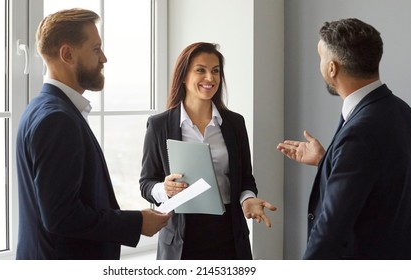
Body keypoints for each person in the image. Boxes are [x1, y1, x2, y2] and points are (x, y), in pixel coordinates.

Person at [15, 8, 170, 260]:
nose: (104, 58)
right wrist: (136, 223)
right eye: (96, 49)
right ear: (68, 54)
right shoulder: (57, 119)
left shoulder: (41, 108)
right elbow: (61, 216)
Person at [277, 18, 411, 259]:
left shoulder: (360, 131)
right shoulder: (402, 111)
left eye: (320, 58)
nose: (320, 65)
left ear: (332, 68)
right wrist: (327, 161)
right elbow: (377, 179)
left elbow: (331, 227)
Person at [140, 42, 276, 260]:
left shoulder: (234, 123)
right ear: (183, 76)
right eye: (200, 70)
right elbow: (146, 183)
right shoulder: (159, 125)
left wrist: (248, 199)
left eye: (215, 71)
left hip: (229, 235)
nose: (210, 78)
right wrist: (164, 189)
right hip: (180, 239)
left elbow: (245, 179)